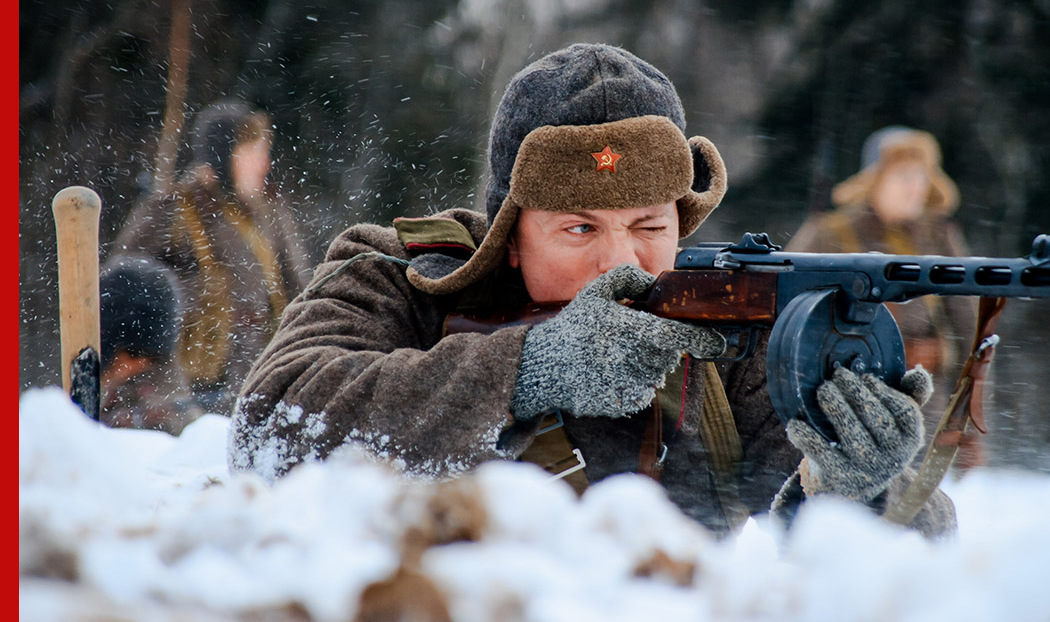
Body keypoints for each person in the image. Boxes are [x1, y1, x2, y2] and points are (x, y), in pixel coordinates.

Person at [228, 44, 955, 538]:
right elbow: (267, 427)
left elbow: (895, 567)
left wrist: (863, 488)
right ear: (508, 236)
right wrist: (533, 367)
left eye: (648, 225)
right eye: (579, 228)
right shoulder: (402, 273)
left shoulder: (728, 327)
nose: (622, 263)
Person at [785, 126, 984, 473]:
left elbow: (972, 333)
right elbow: (784, 307)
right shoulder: (828, 233)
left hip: (925, 408)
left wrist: (969, 417)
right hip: (841, 405)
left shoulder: (940, 237)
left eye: (923, 176)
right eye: (904, 175)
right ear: (875, 180)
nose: (916, 187)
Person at [113, 99, 313, 415]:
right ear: (224, 157)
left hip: (260, 375)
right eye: (253, 153)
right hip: (183, 389)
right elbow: (121, 292)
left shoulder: (272, 212)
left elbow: (302, 294)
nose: (265, 164)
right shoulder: (170, 210)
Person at [98, 255, 204, 435]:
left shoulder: (161, 365)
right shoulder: (80, 359)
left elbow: (192, 426)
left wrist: (157, 420)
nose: (140, 364)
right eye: (132, 353)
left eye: (148, 357)